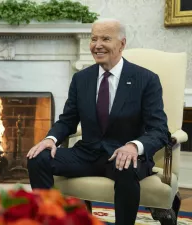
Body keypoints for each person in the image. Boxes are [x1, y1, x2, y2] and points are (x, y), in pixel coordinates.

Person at [26, 18, 169, 225]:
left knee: (126, 166)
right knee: (38, 158)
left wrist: (133, 146)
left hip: (123, 156)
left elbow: (159, 129)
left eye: (105, 39)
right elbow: (68, 120)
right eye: (93, 39)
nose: (97, 45)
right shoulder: (81, 79)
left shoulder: (145, 79)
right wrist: (51, 138)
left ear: (122, 44)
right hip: (87, 153)